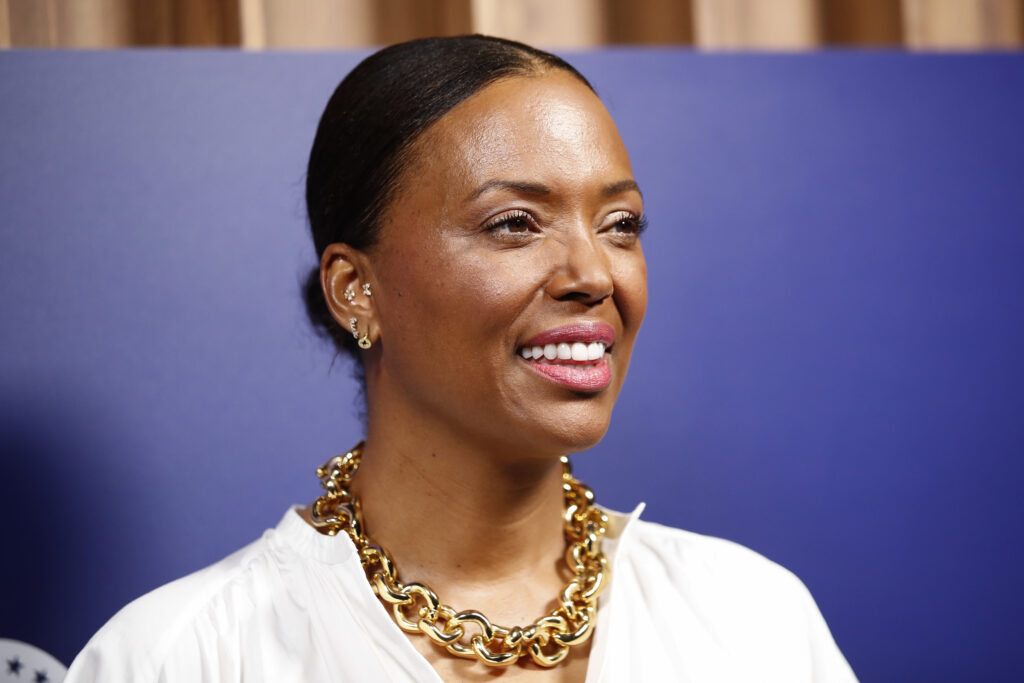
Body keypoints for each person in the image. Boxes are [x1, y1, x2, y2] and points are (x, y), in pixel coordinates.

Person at [65, 35, 857, 682]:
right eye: (515, 223)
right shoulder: (180, 657)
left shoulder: (752, 619)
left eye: (621, 223)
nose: (594, 275)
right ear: (356, 289)